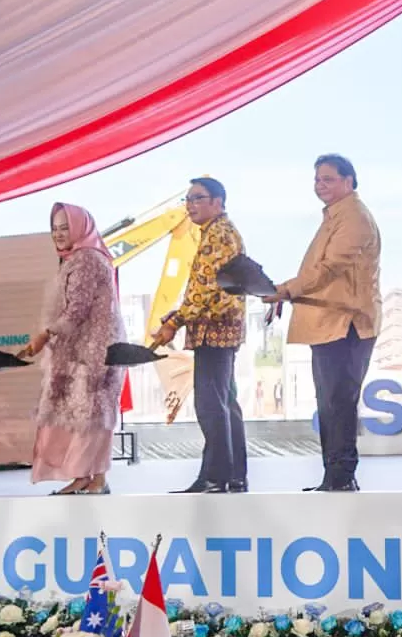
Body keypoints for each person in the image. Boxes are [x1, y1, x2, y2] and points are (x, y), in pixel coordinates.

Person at [268, 155, 381, 491]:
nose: (320, 185)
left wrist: (286, 290)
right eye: (317, 179)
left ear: (349, 181)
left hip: (346, 324)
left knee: (339, 402)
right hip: (328, 323)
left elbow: (329, 269)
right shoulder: (335, 217)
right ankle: (333, 476)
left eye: (328, 179)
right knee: (328, 404)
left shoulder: (355, 218)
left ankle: (342, 476)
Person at [151, 177, 249, 493]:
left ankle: (215, 476)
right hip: (218, 327)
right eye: (188, 199)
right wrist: (176, 316)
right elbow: (201, 290)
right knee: (224, 401)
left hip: (215, 329)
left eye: (198, 198)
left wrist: (174, 322)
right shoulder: (217, 233)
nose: (191, 205)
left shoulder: (218, 235)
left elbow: (206, 292)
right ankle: (233, 475)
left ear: (218, 202)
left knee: (211, 404)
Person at [20, 203, 126, 494]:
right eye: (54, 229)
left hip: (95, 353)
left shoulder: (86, 259)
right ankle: (89, 477)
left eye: (65, 228)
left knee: (90, 415)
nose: (58, 234)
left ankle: (91, 477)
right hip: (85, 351)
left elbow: (77, 310)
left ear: (81, 228)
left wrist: (45, 335)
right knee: (87, 416)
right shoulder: (76, 259)